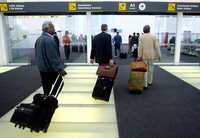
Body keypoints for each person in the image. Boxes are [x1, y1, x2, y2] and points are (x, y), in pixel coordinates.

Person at [35, 21, 67, 95]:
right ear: (48, 28)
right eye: (53, 27)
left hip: (42, 69)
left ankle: (47, 101)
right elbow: (53, 57)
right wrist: (60, 69)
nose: (54, 29)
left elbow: (37, 55)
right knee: (59, 84)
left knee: (46, 88)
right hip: (51, 70)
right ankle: (51, 99)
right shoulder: (49, 40)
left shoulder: (39, 39)